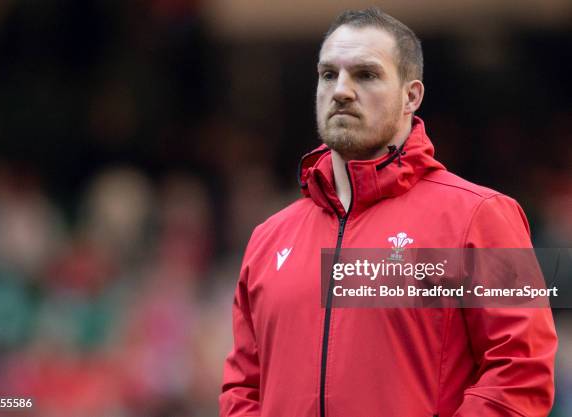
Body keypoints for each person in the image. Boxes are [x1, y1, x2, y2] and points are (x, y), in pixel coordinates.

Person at [220, 7, 557, 417]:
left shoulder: (482, 216)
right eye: (329, 74)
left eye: (366, 74)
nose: (341, 90)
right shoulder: (269, 237)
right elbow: (243, 388)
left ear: (411, 96)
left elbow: (521, 373)